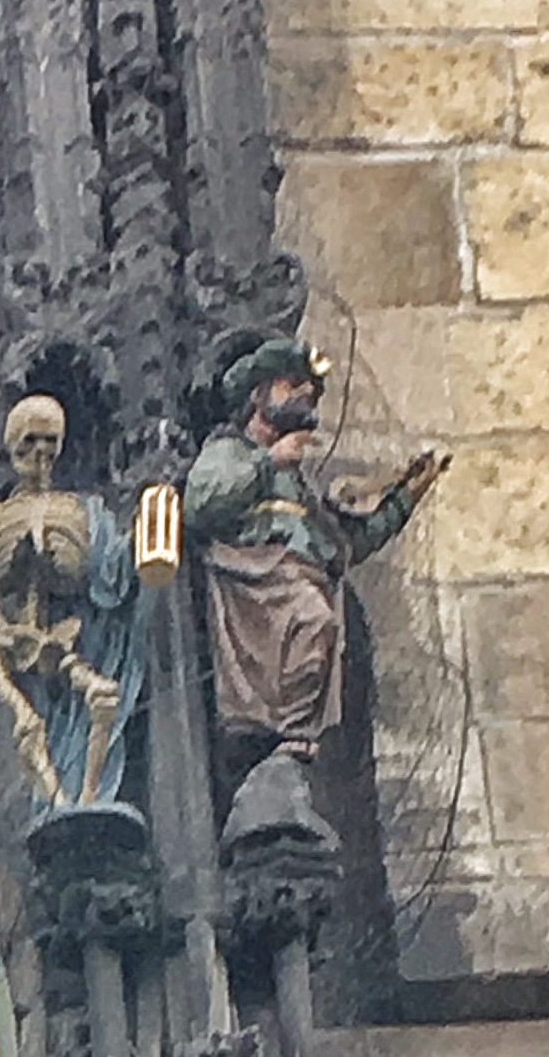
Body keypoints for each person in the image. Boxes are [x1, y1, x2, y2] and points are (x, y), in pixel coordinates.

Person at [182, 338, 443, 820]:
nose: (304, 394)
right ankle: (272, 734)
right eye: (291, 384)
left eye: (310, 391)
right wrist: (269, 461)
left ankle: (291, 735)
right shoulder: (228, 451)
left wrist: (405, 498)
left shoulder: (299, 484)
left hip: (300, 577)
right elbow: (200, 506)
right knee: (312, 618)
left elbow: (342, 545)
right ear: (258, 395)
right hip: (254, 583)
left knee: (318, 626)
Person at [0, 390, 141, 811]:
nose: (40, 452)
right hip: (11, 637)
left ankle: (87, 799)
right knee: (28, 724)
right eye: (30, 440)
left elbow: (110, 564)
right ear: (12, 444)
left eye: (50, 442)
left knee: (102, 696)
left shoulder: (81, 510)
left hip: (63, 635)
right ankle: (55, 799)